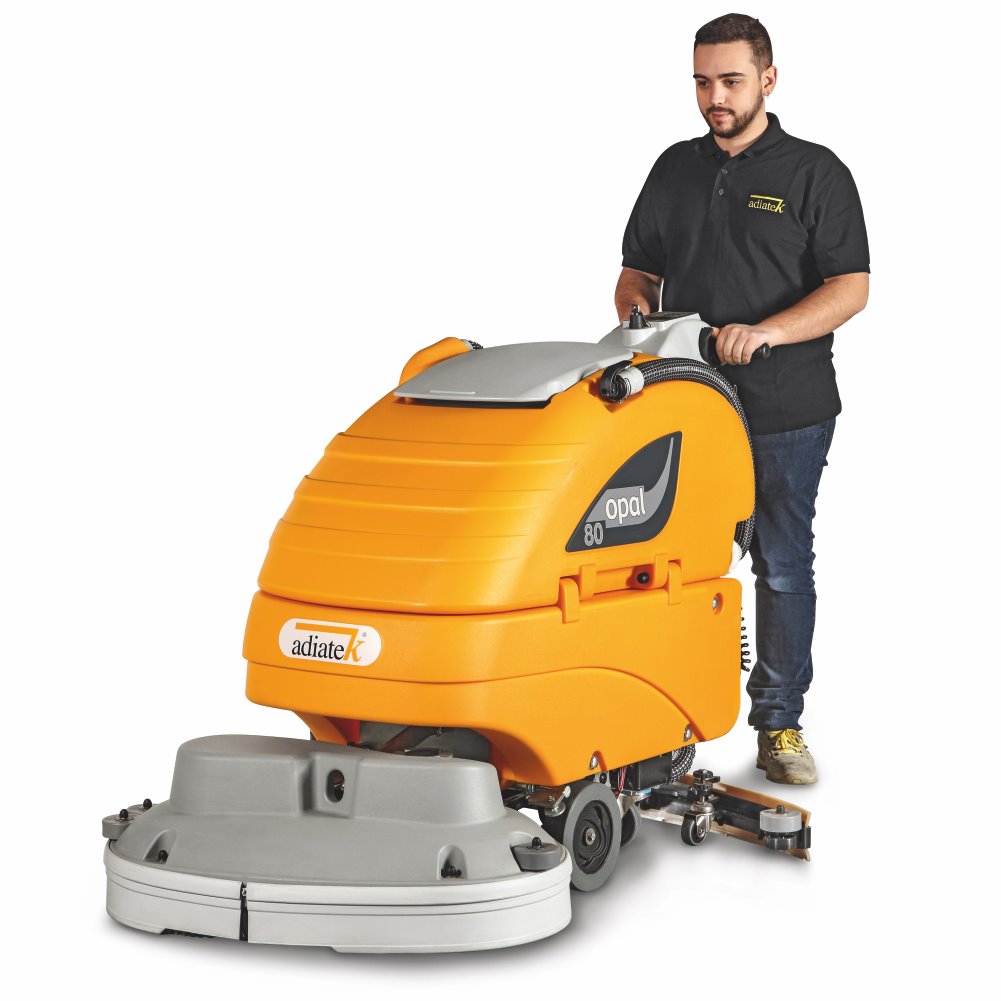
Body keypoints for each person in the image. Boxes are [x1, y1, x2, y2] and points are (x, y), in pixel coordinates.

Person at [614, 13, 869, 784]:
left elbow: (850, 286)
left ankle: (779, 724)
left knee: (781, 563)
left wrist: (767, 331)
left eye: (729, 80)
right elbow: (637, 266)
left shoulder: (813, 172)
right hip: (684, 401)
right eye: (701, 81)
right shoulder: (674, 168)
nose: (713, 97)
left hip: (785, 409)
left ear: (767, 78)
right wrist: (634, 310)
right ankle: (654, 718)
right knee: (657, 562)